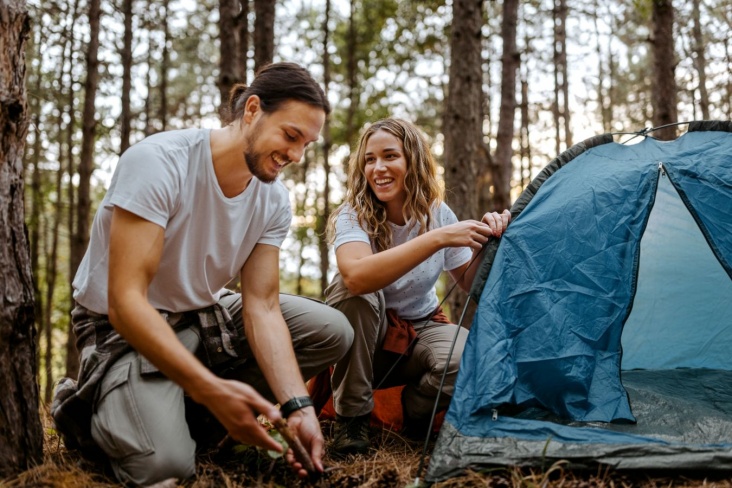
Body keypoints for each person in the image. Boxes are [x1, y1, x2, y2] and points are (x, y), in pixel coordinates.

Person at [51, 62, 353, 486]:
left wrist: (298, 406)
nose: (297, 156)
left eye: (307, 143)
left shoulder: (274, 200)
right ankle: (104, 408)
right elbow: (125, 302)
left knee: (331, 329)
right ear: (251, 110)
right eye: (290, 135)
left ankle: (191, 412)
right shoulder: (158, 162)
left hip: (203, 313)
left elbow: (263, 307)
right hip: (123, 329)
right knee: (165, 467)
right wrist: (214, 388)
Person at [324, 118, 510, 455]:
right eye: (369, 159)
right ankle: (352, 422)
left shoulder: (438, 213)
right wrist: (436, 239)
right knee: (354, 292)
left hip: (422, 326)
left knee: (471, 358)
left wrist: (489, 243)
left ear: (413, 160)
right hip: (366, 340)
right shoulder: (353, 215)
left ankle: (415, 411)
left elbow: (469, 283)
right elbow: (356, 276)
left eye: (390, 156)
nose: (378, 168)